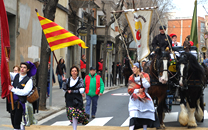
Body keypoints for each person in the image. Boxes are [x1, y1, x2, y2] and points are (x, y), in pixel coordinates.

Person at [128, 63, 159, 130]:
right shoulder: (131, 77)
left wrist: (142, 78)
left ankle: (145, 129)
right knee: (133, 115)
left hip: (144, 98)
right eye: (132, 68)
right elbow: (130, 90)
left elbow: (147, 86)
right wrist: (137, 90)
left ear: (138, 68)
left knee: (144, 116)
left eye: (134, 67)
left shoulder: (145, 75)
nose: (133, 69)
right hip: (135, 99)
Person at [9, 61, 37, 130]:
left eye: (24, 68)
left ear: (28, 70)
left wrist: (13, 90)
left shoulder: (29, 80)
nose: (22, 69)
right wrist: (6, 61)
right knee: (13, 122)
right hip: (12, 103)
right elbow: (6, 73)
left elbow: (25, 92)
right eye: (21, 67)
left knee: (17, 123)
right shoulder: (16, 76)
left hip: (21, 104)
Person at [62, 66, 88, 130]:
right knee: (71, 114)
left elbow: (81, 90)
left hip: (77, 99)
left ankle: (75, 128)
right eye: (72, 71)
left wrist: (73, 91)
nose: (74, 72)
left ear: (77, 72)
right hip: (69, 99)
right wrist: (64, 82)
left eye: (75, 71)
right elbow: (64, 89)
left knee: (75, 114)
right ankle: (74, 127)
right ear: (70, 72)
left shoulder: (80, 80)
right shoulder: (68, 80)